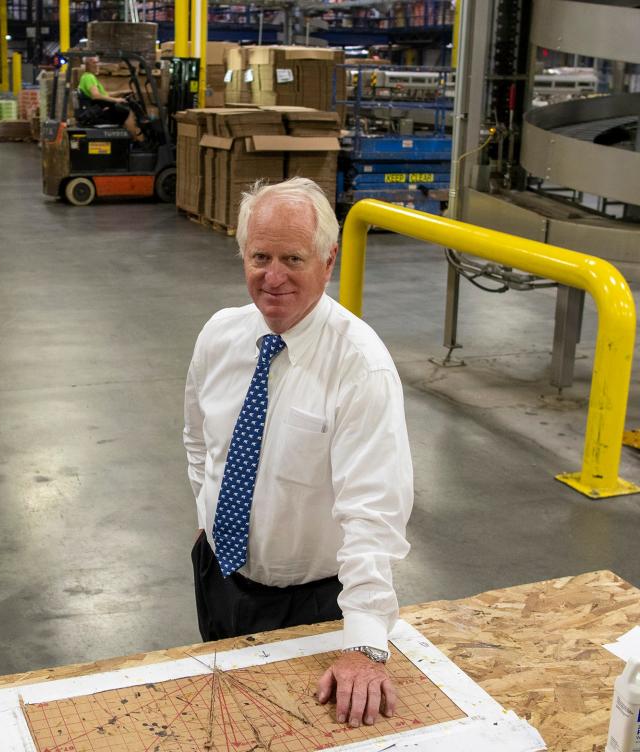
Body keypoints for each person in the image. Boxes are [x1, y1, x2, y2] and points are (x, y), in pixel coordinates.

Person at [183, 177, 414, 730]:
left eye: (293, 257)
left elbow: (373, 512)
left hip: (312, 606)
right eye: (260, 256)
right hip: (220, 577)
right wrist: (207, 521)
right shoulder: (220, 335)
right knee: (228, 723)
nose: (274, 276)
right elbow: (199, 441)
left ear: (328, 259)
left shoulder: (360, 366)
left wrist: (364, 644)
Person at [76, 56, 144, 142]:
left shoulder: (88, 77)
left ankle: (125, 141)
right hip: (95, 114)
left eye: (97, 63)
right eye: (94, 63)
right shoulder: (89, 77)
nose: (97, 65)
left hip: (96, 110)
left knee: (122, 110)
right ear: (87, 65)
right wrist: (116, 100)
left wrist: (121, 92)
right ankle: (135, 142)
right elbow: (95, 95)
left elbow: (104, 94)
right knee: (127, 112)